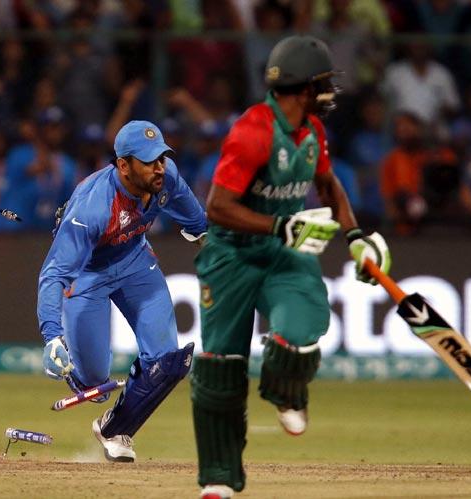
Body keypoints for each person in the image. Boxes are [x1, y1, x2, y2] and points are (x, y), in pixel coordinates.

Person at [190, 35, 392, 499]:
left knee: (302, 326)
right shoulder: (254, 131)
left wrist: (356, 236)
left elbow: (328, 185)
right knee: (220, 368)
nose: (329, 93)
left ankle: (286, 392)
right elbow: (217, 207)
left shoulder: (312, 133)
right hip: (231, 255)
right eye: (323, 85)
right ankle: (220, 479)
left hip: (285, 252)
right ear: (302, 89)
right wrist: (279, 226)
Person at [37, 120, 207, 463]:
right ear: (124, 165)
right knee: (93, 384)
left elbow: (199, 227)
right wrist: (52, 336)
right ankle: (87, 379)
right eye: (148, 161)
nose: (158, 167)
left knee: (167, 361)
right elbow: (54, 274)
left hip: (135, 264)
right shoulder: (92, 208)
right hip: (87, 276)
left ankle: (115, 429)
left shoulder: (167, 177)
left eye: (161, 157)